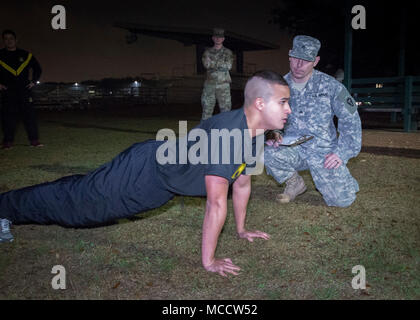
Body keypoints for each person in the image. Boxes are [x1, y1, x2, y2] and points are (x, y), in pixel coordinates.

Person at [0, 70, 292, 277]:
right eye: (283, 102)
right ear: (259, 103)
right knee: (78, 208)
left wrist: (241, 230)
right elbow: (216, 202)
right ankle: (5, 207)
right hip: (142, 172)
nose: (289, 109)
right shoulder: (230, 135)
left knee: (78, 192)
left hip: (157, 182)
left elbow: (241, 182)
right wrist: (209, 261)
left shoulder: (255, 132)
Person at [264, 35, 362, 207]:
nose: (299, 65)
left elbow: (351, 120)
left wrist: (341, 153)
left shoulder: (331, 86)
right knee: (268, 153)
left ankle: (344, 179)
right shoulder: (279, 86)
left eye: (306, 60)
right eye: (296, 59)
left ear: (315, 61)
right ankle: (295, 184)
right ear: (289, 55)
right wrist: (274, 134)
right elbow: (271, 118)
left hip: (324, 152)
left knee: (341, 201)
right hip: (294, 149)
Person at [0, 29, 43, 150]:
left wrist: (33, 81)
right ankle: (7, 142)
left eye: (11, 38)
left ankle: (34, 141)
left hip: (24, 90)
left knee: (29, 116)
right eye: (6, 39)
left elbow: (38, 69)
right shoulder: (0, 55)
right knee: (8, 117)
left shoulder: (26, 55)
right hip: (8, 91)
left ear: (16, 40)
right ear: (3, 41)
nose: (9, 41)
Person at [201, 28, 233, 120]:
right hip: (210, 85)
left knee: (226, 111)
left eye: (220, 37)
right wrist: (220, 64)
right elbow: (206, 65)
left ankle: (226, 132)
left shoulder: (228, 52)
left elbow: (228, 66)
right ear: (213, 38)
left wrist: (213, 63)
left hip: (223, 85)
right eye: (216, 37)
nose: (218, 39)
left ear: (223, 39)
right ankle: (204, 132)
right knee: (207, 110)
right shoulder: (207, 52)